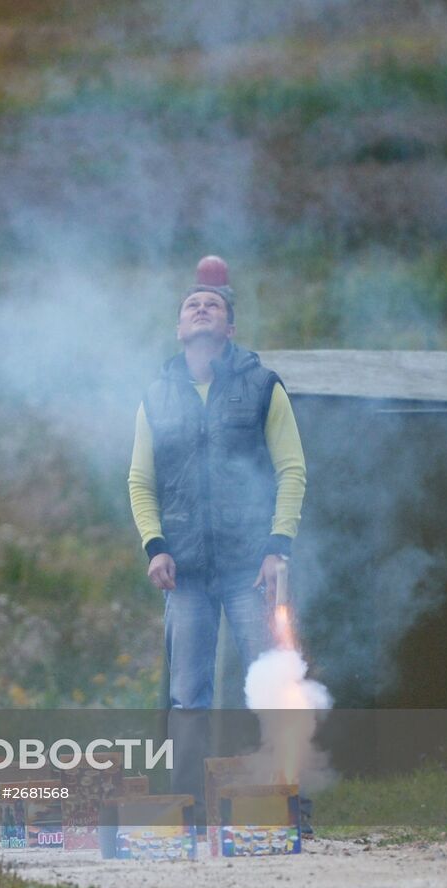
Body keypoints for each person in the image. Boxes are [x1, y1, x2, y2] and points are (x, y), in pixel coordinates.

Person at [128, 257, 307, 711]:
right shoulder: (156, 396)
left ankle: (286, 782)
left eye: (213, 304)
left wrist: (277, 548)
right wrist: (156, 546)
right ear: (179, 329)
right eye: (193, 304)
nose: (202, 308)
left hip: (251, 566)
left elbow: (292, 470)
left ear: (230, 329)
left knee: (274, 685)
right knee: (187, 696)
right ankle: (187, 785)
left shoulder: (264, 386)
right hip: (185, 571)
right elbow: (140, 481)